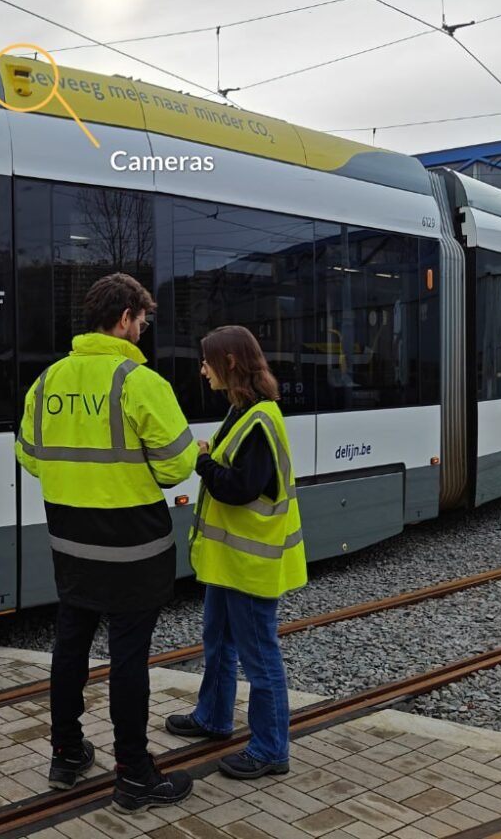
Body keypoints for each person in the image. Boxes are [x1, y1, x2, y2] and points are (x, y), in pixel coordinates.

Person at [15, 272, 198, 814]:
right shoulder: (140, 383)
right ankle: (134, 773)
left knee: (69, 647)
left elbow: (28, 457)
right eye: (141, 321)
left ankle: (67, 753)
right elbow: (179, 465)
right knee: (128, 660)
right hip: (133, 552)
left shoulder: (47, 382)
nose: (142, 331)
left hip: (71, 547)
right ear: (123, 319)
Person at [165, 325, 307, 779]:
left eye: (207, 360)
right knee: (219, 642)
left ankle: (270, 749)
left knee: (260, 658)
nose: (201, 368)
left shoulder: (260, 420)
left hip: (250, 565)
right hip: (229, 563)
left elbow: (241, 488)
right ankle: (213, 718)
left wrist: (202, 462)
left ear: (229, 363)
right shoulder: (242, 410)